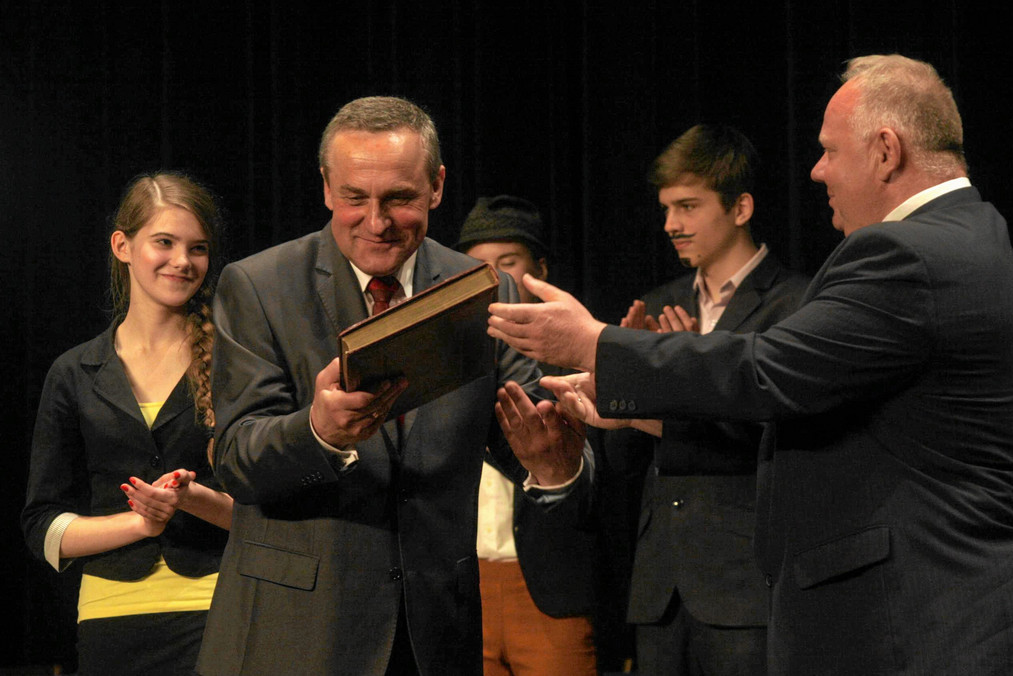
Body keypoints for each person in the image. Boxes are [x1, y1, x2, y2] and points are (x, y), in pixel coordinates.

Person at [488, 54, 1013, 674]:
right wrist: (637, 408)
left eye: (830, 150)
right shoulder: (968, 229)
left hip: (947, 627)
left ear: (886, 151)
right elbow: (827, 405)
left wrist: (595, 342)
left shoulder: (907, 252)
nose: (816, 170)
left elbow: (770, 371)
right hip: (957, 618)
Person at [195, 96, 589, 676]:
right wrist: (317, 431)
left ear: (436, 185)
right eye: (355, 198)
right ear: (327, 188)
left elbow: (526, 440)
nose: (376, 221)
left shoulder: (486, 289)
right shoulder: (258, 286)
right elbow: (236, 461)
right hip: (297, 634)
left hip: (435, 635)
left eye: (399, 198)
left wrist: (554, 464)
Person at [603, 124, 809, 675]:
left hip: (745, 583)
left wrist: (672, 391)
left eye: (688, 206)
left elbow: (780, 440)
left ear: (740, 208)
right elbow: (624, 466)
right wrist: (614, 405)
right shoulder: (656, 304)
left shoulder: (795, 304)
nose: (671, 224)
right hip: (660, 586)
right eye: (667, 208)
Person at [21, 172, 233, 675]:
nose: (183, 261)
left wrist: (191, 498)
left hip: (219, 605)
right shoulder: (74, 372)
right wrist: (141, 522)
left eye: (198, 248)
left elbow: (267, 513)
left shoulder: (234, 363)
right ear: (123, 245)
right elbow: (42, 526)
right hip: (110, 619)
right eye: (165, 242)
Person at [455, 195, 599, 676]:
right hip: (463, 583)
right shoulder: (447, 360)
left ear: (539, 269)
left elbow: (607, 483)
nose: (496, 280)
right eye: (479, 267)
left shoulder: (580, 360)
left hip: (547, 585)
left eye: (508, 263)